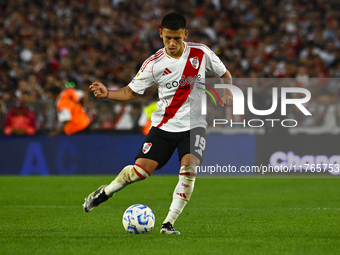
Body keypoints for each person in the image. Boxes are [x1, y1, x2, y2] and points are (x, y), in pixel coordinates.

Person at [83, 12, 233, 234]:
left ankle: (168, 223)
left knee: (189, 170)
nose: (172, 44)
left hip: (194, 126)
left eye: (177, 38)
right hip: (164, 126)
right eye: (168, 38)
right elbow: (129, 92)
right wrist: (107, 94)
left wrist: (227, 89)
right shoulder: (153, 64)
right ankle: (106, 192)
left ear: (185, 35)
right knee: (140, 172)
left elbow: (225, 74)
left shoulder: (201, 53)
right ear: (161, 34)